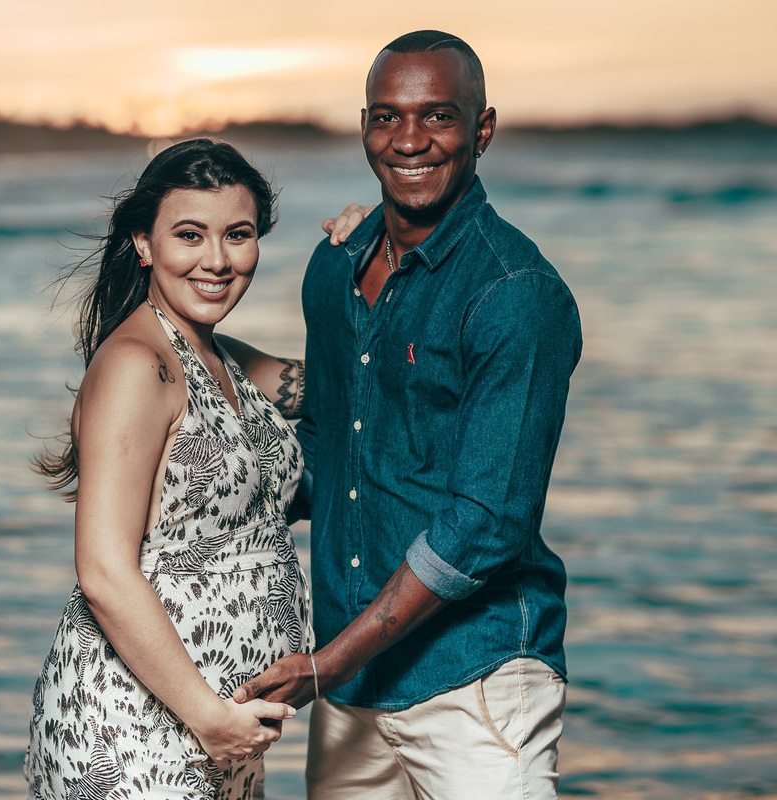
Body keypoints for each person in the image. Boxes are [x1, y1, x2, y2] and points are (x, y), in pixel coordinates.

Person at [233, 30, 583, 799]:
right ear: (364, 129)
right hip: (353, 686)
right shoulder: (334, 267)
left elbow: (485, 523)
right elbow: (330, 445)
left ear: (481, 130)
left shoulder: (516, 295)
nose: (411, 140)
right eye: (387, 118)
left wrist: (332, 659)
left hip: (476, 678)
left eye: (439, 117)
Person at [26, 138, 314, 800]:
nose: (217, 260)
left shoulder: (221, 356)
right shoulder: (138, 364)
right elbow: (102, 571)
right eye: (191, 234)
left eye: (237, 235)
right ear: (145, 243)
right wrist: (210, 719)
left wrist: (360, 251)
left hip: (220, 733)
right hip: (138, 734)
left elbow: (348, 386)